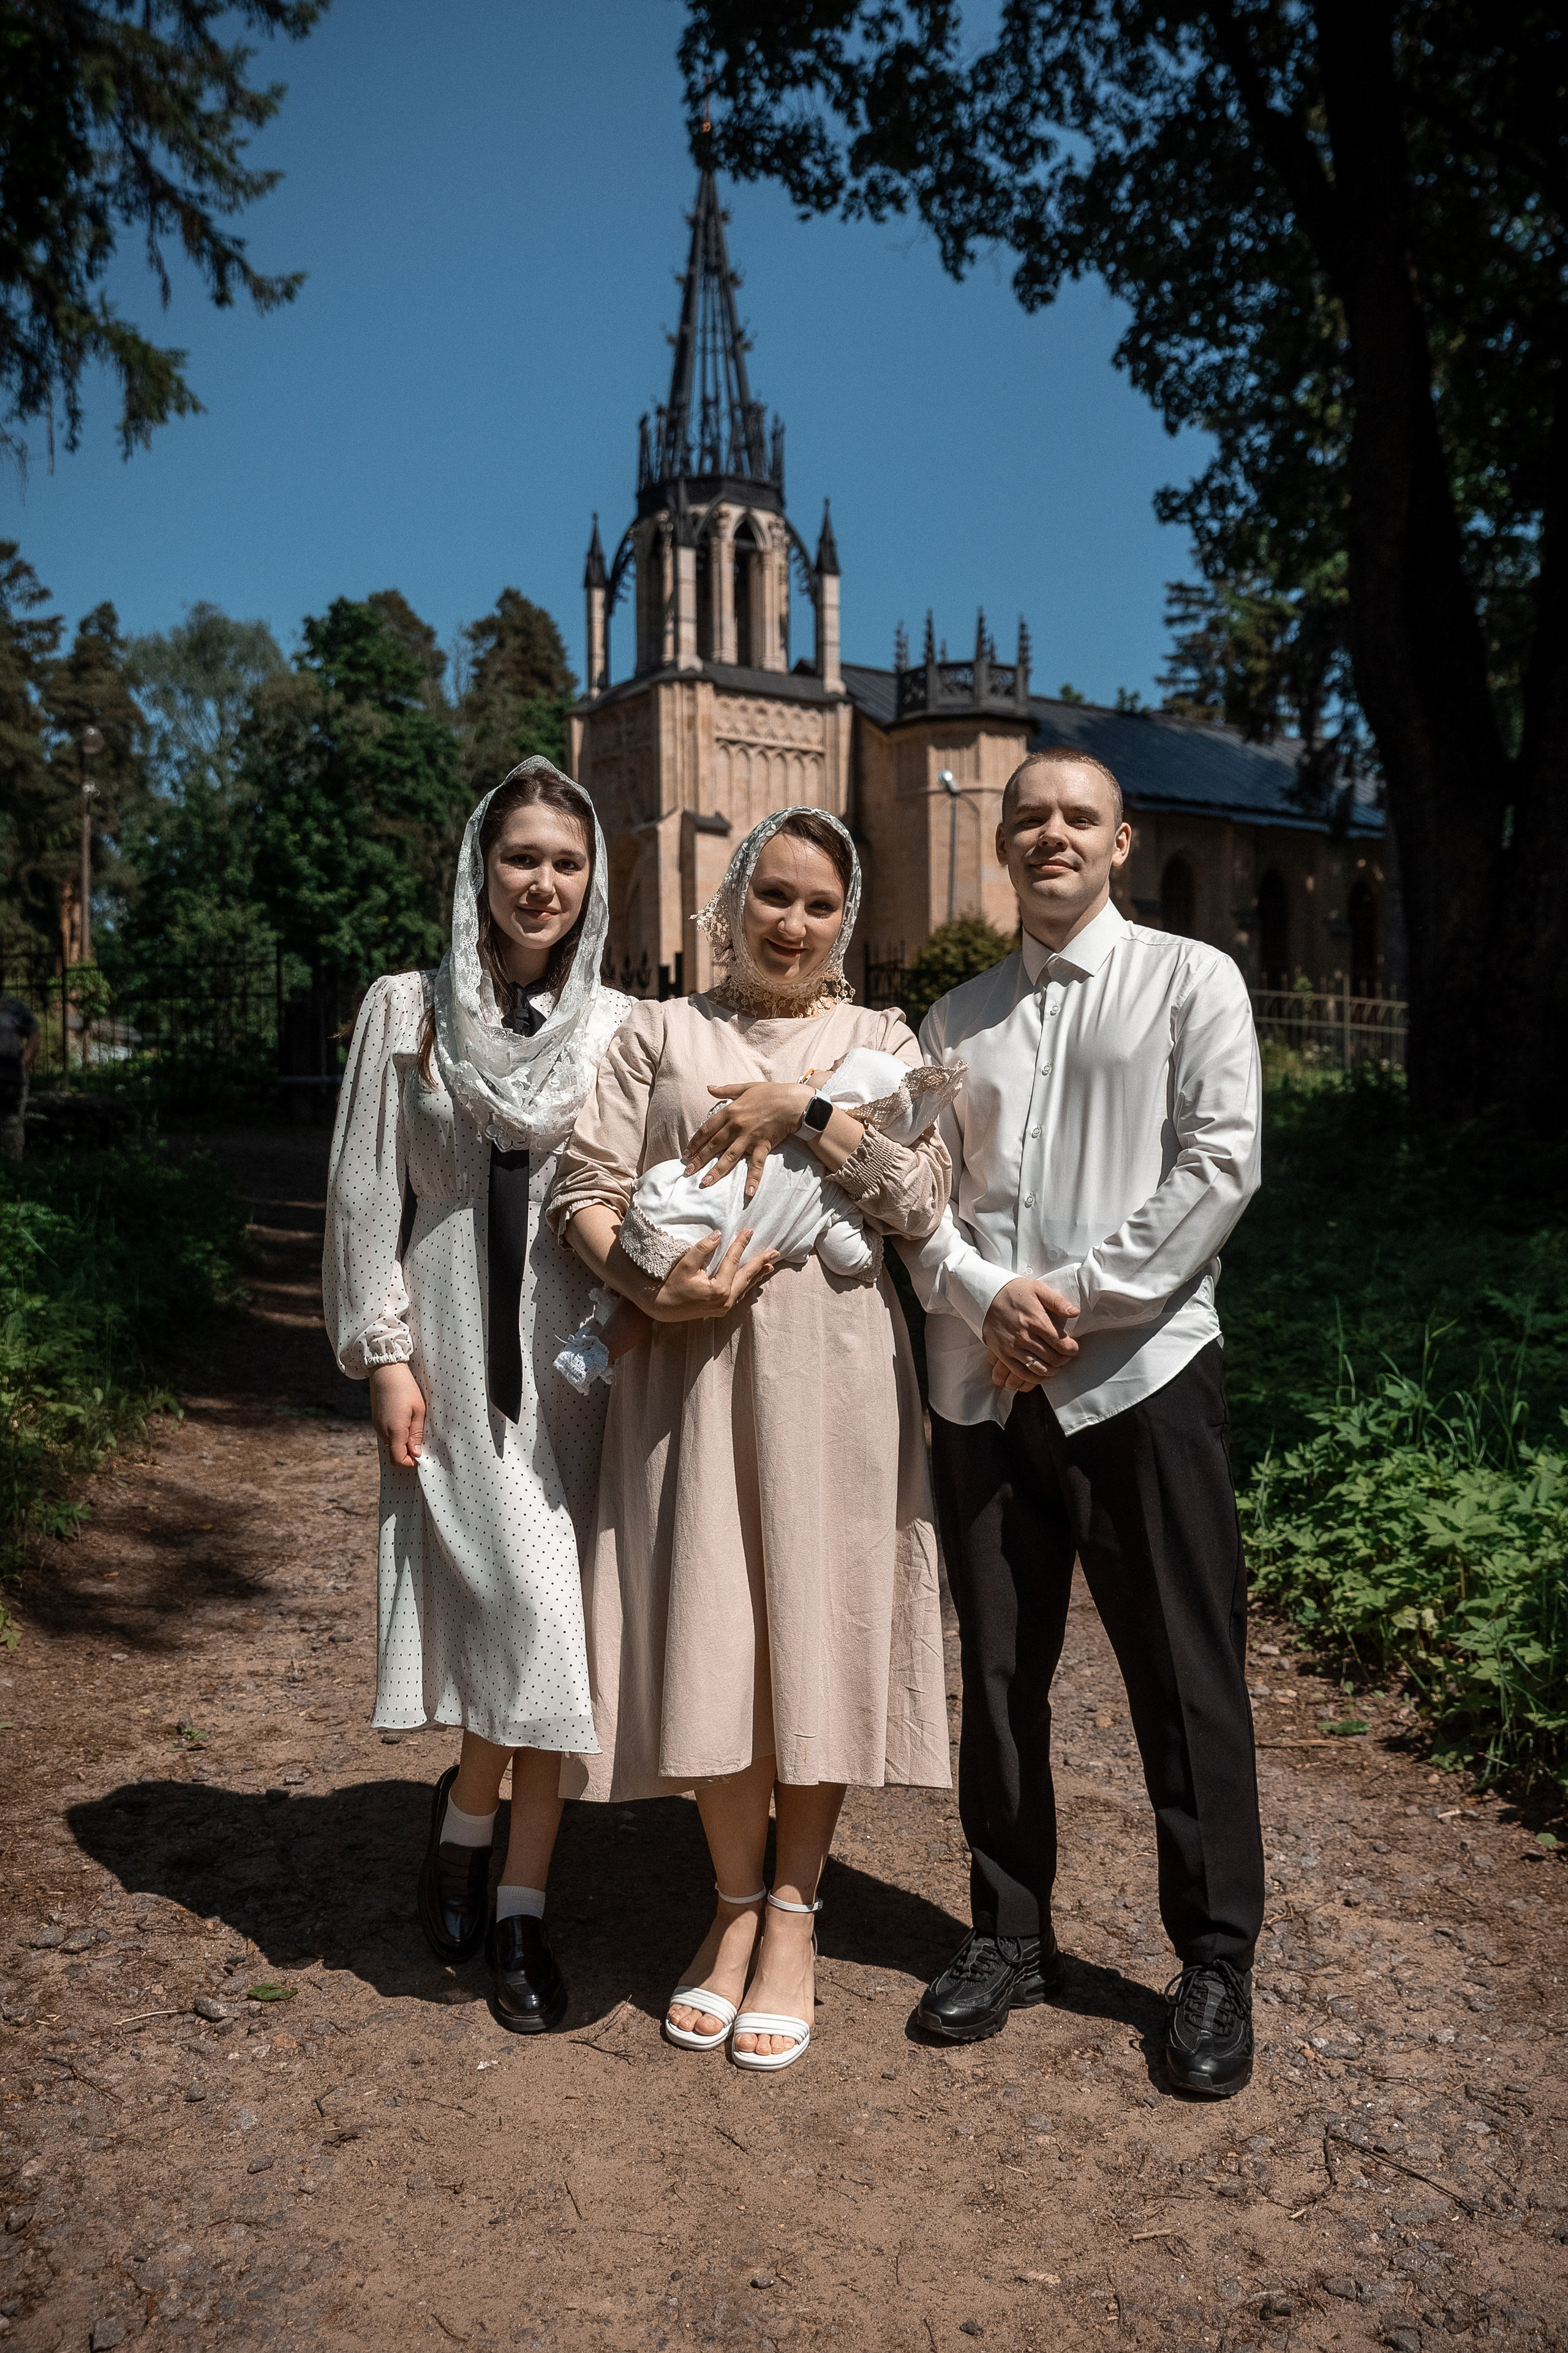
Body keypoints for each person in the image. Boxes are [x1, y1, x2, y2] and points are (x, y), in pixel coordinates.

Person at [548, 806, 952, 2072]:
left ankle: (794, 1913)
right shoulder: (656, 1032)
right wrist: (646, 1289)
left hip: (831, 1375)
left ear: (847, 921)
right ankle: (729, 1903)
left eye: (817, 904)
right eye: (770, 895)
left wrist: (803, 1111)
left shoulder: (880, 1040)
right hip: (684, 1364)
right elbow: (583, 1190)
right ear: (730, 903)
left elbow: (921, 1201)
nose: (790, 922)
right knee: (714, 1623)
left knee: (813, 1626)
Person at [903, 746, 1264, 2098]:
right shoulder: (951, 1022)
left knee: (1181, 1674)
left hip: (1143, 1378)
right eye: (1028, 818)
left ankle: (1213, 1958)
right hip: (981, 1388)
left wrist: (1073, 1299)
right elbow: (918, 1201)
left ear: (1121, 843)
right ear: (1002, 845)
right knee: (998, 1676)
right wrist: (987, 1297)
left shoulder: (1191, 980)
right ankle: (1007, 1933)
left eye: (1078, 817)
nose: (1050, 834)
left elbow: (1218, 1161)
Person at [324, 758, 636, 2033]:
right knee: (538, 1627)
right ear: (479, 868)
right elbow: (361, 1194)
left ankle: (488, 1866)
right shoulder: (406, 1009)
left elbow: (650, 1187)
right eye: (521, 858)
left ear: (592, 879)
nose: (543, 883)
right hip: (454, 1333)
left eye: (565, 862)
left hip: (578, 1351)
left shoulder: (622, 1026)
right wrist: (382, 1353)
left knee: (552, 1647)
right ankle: (502, 1892)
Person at [0, 994, 40, 1161]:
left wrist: (23, 1064)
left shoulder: (14, 1008)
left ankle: (13, 1169)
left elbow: (34, 1034)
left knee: (11, 1125)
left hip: (10, 1076)